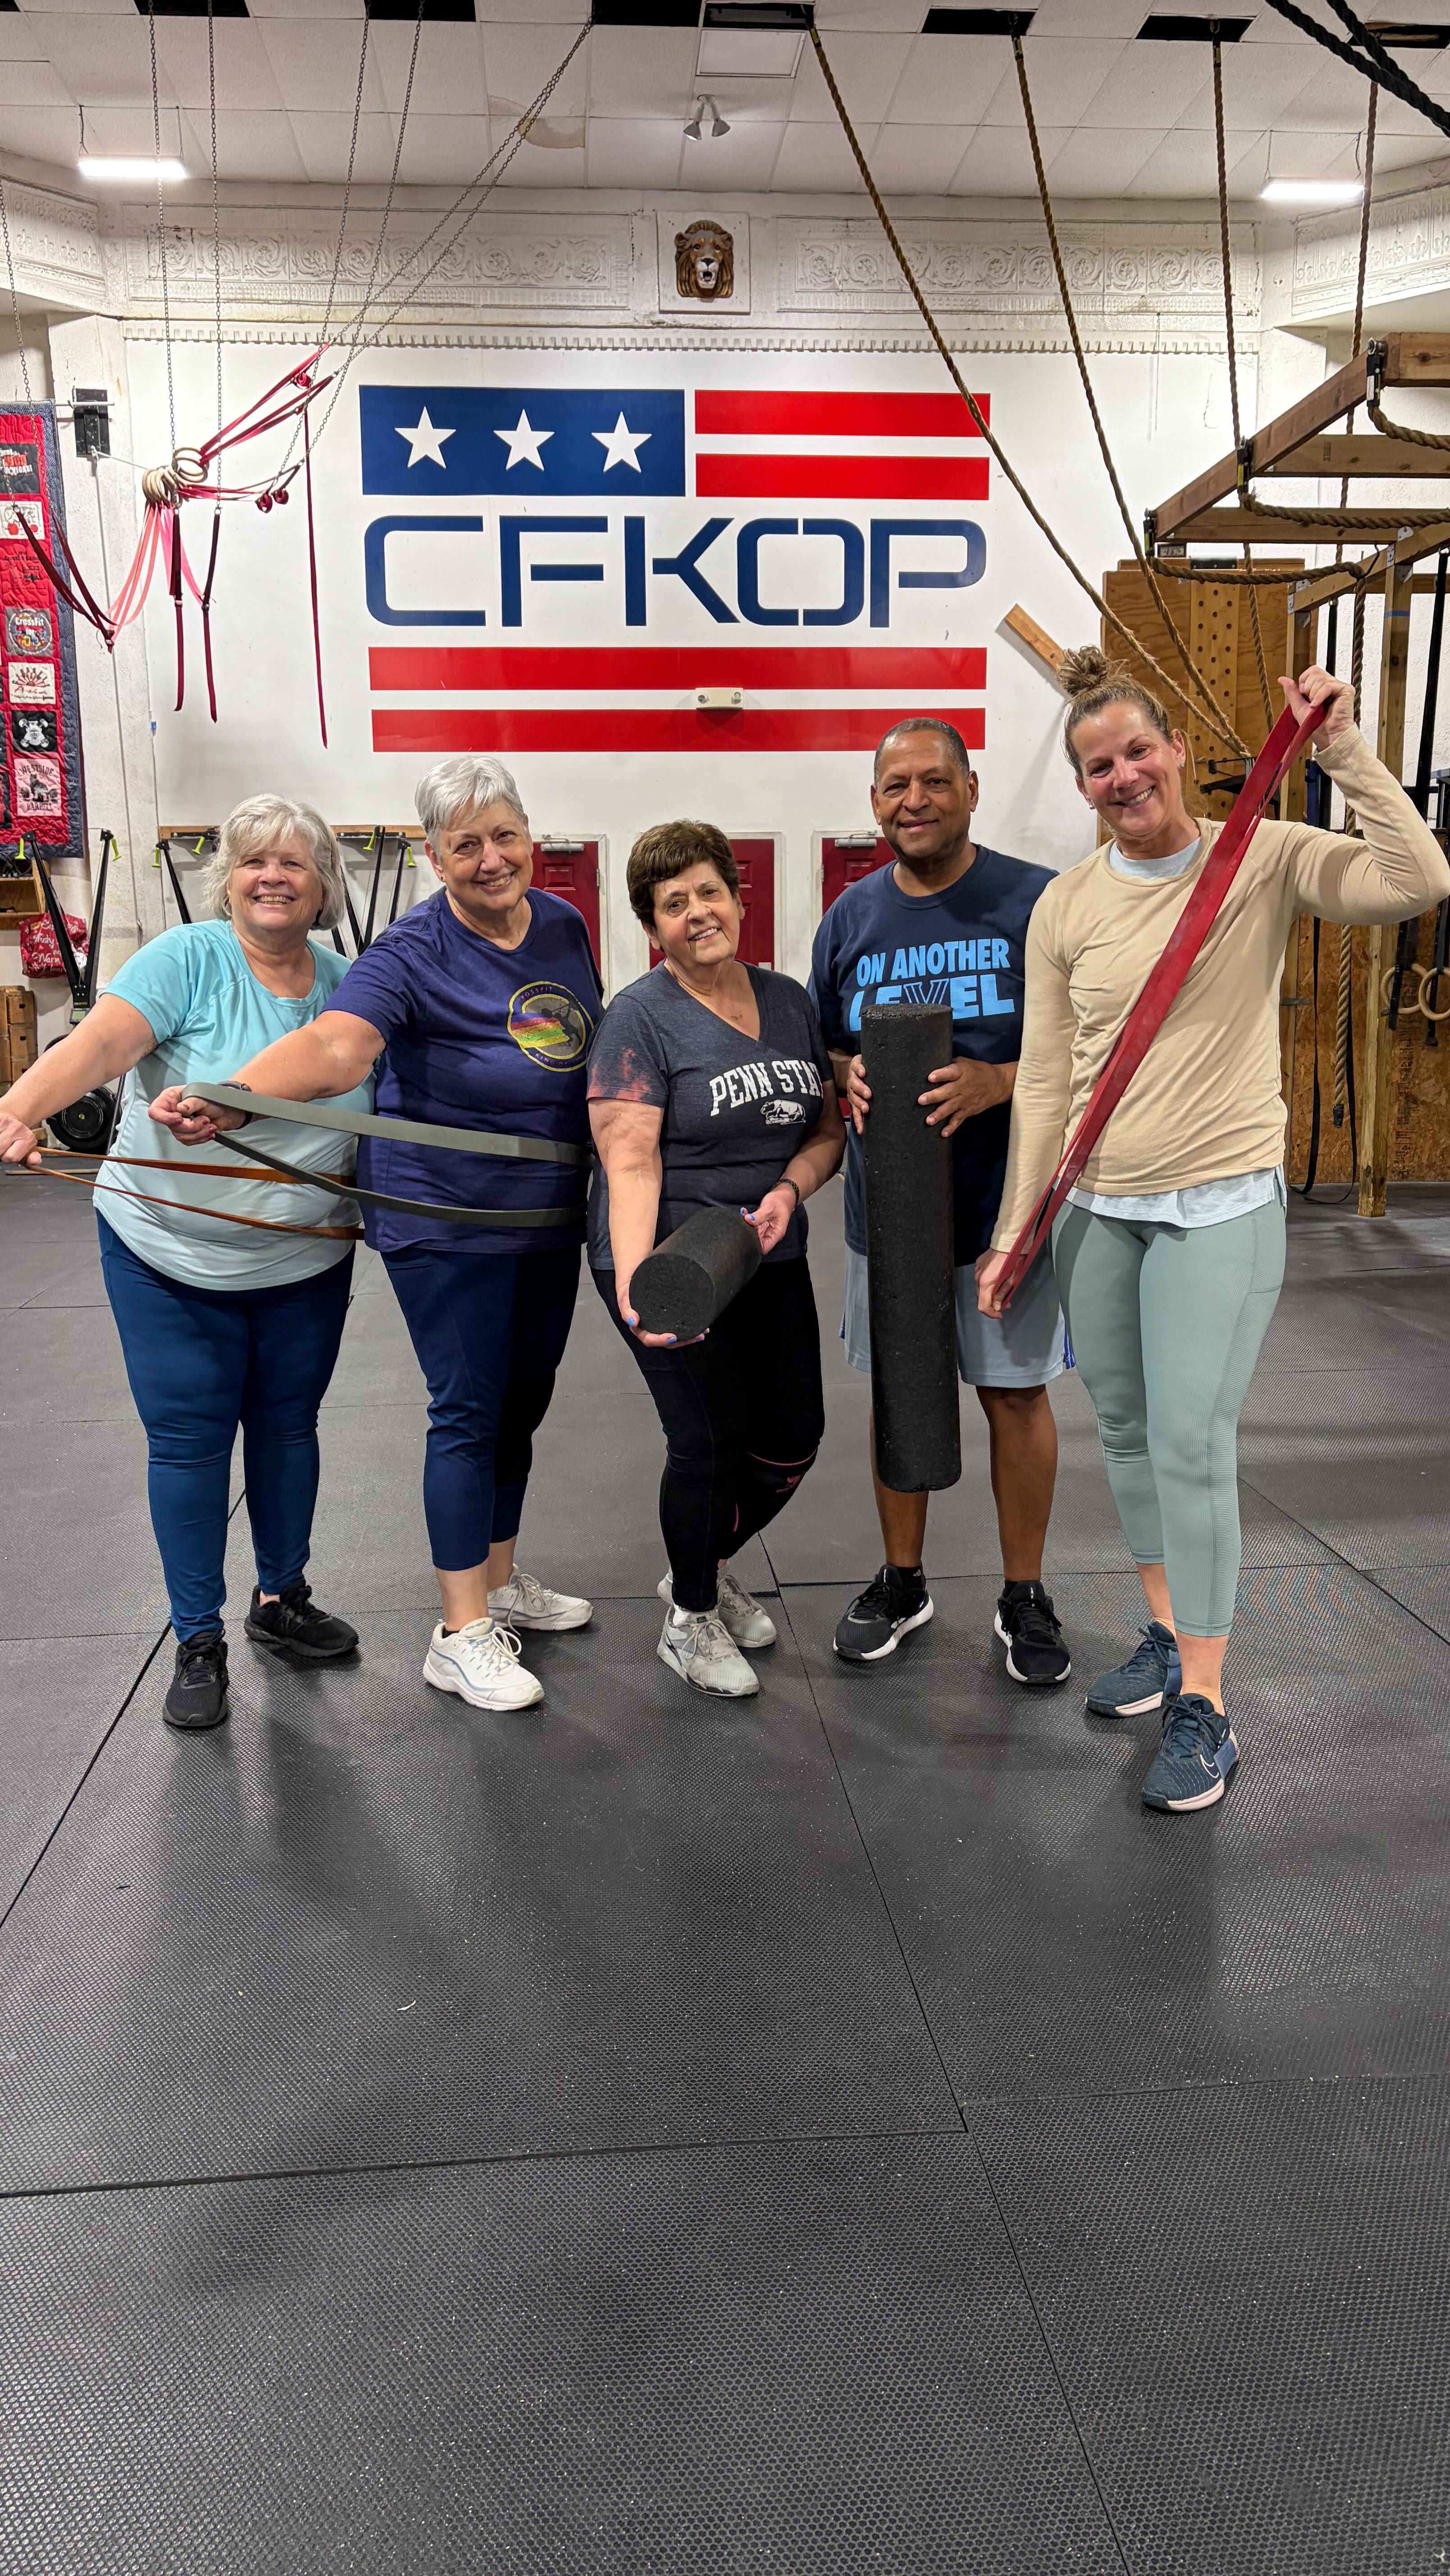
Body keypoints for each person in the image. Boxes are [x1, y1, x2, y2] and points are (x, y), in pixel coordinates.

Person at [979, 648, 1450, 1812]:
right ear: (1081, 785)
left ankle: (1208, 1697)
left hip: (1217, 1207)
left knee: (1191, 1442)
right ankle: (1161, 1629)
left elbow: (1418, 877)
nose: (1124, 775)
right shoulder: (1067, 904)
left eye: (1139, 751)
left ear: (1178, 750)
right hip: (1099, 1213)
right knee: (1130, 1437)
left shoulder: (1267, 859)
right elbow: (1045, 1080)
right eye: (1099, 766)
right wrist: (1012, 1230)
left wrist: (1339, 749)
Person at [155, 754, 600, 1717]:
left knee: (522, 1403)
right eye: (467, 845)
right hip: (445, 1219)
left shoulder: (563, 925)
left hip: (546, 1214)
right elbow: (335, 1048)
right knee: (469, 1412)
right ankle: (459, 1631)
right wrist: (230, 1101)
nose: (492, 860)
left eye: (506, 836)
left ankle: (498, 1576)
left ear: (531, 835)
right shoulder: (409, 950)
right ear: (435, 857)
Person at [0, 798, 368, 1731]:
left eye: (294, 862)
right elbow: (96, 1045)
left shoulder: (351, 985)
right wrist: (23, 1103)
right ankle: (196, 1637)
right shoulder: (184, 960)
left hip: (305, 1258)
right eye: (254, 862)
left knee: (289, 1428)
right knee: (192, 1441)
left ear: (324, 884)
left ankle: (281, 1601)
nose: (273, 876)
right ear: (229, 879)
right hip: (169, 1256)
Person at [809, 716, 1071, 1684]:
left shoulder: (1037, 901)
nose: (911, 801)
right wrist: (847, 1075)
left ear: (970, 788)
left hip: (1004, 1211)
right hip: (893, 1217)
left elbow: (1085, 1040)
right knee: (902, 1392)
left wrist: (998, 1082)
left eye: (931, 781)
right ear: (874, 803)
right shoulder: (851, 919)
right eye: (892, 787)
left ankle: (1025, 1592)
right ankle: (903, 1578)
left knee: (1013, 1393)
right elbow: (823, 1043)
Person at [589, 819, 844, 1698]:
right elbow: (629, 1159)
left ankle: (700, 1558)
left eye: (708, 891)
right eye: (672, 903)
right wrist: (635, 1287)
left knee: (792, 1438)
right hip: (667, 1254)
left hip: (766, 1244)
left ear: (739, 896)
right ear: (650, 926)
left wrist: (788, 1194)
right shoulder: (639, 1018)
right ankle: (690, 1615)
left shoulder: (788, 1003)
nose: (697, 912)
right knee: (707, 1437)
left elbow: (824, 1128)